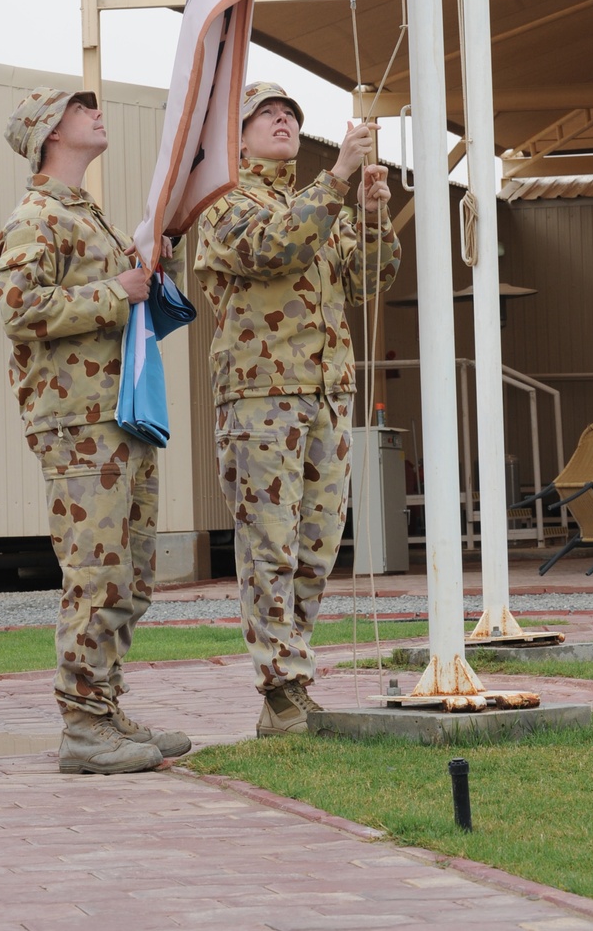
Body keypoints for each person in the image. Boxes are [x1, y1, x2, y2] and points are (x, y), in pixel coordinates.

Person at [0, 88, 191, 775]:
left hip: (117, 414)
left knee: (129, 573)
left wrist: (144, 269)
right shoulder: (36, 218)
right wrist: (119, 290)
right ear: (50, 131)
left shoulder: (85, 216)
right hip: (79, 422)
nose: (96, 114)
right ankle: (83, 725)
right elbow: (22, 311)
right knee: (95, 573)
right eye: (81, 109)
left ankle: (103, 706)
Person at [194, 81, 401, 736]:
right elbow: (273, 246)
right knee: (269, 547)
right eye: (266, 115)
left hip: (325, 394)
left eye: (290, 115)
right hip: (261, 397)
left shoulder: (323, 203)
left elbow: (370, 281)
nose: (282, 121)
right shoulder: (225, 201)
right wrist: (338, 177)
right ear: (238, 135)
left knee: (316, 548)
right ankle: (279, 687)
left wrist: (371, 216)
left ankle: (293, 680)